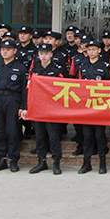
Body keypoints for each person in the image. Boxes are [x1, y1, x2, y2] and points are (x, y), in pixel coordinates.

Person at [0, 38, 29, 173]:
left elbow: (24, 89)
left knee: (12, 131)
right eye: (3, 49)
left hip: (13, 99)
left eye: (8, 50)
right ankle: (1, 159)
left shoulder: (20, 68)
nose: (5, 52)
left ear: (14, 51)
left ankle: (13, 159)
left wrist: (23, 106)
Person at [22, 43, 65, 175]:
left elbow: (63, 89)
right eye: (41, 53)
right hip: (38, 108)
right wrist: (25, 107)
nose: (44, 56)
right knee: (39, 136)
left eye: (46, 53)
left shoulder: (57, 70)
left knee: (53, 136)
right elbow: (28, 90)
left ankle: (56, 162)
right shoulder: (34, 71)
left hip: (52, 109)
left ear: (51, 54)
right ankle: (41, 162)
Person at [76, 40, 110, 174]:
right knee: (87, 137)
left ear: (99, 50)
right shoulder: (83, 65)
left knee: (99, 136)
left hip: (99, 106)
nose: (91, 52)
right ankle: (86, 163)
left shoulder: (104, 66)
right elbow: (78, 84)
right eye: (89, 50)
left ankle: (102, 163)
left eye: (93, 49)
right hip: (86, 106)